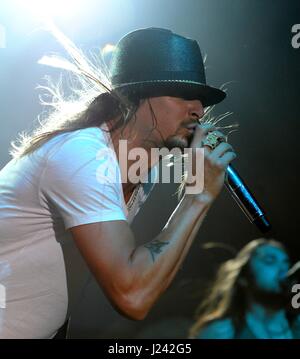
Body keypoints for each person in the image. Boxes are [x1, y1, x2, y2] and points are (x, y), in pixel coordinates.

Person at [0, 26, 236, 338]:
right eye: (182, 94)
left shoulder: (143, 171)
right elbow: (133, 297)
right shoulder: (82, 154)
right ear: (136, 97)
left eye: (201, 99)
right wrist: (198, 196)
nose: (198, 109)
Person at [189, 238, 300, 339]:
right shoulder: (221, 332)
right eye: (270, 261)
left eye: (286, 263)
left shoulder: (295, 325)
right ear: (243, 277)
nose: (284, 270)